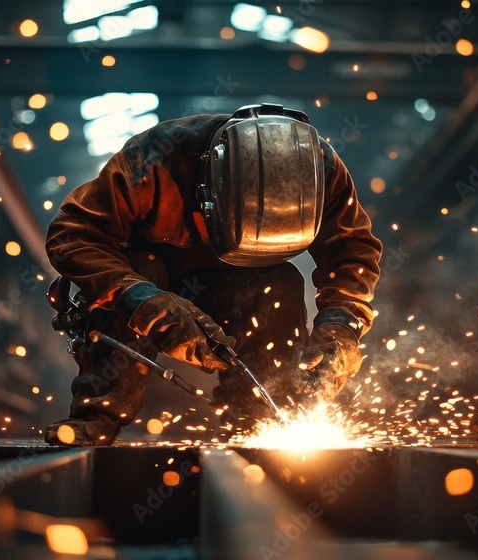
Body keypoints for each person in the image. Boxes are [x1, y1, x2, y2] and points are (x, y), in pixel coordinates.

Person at [44, 103, 381, 446]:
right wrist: (143, 302)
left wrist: (341, 326)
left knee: (281, 283)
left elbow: (351, 252)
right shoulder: (153, 161)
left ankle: (256, 418)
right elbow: (71, 234)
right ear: (209, 189)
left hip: (239, 282)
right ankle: (97, 414)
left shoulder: (321, 170)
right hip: (150, 278)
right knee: (140, 269)